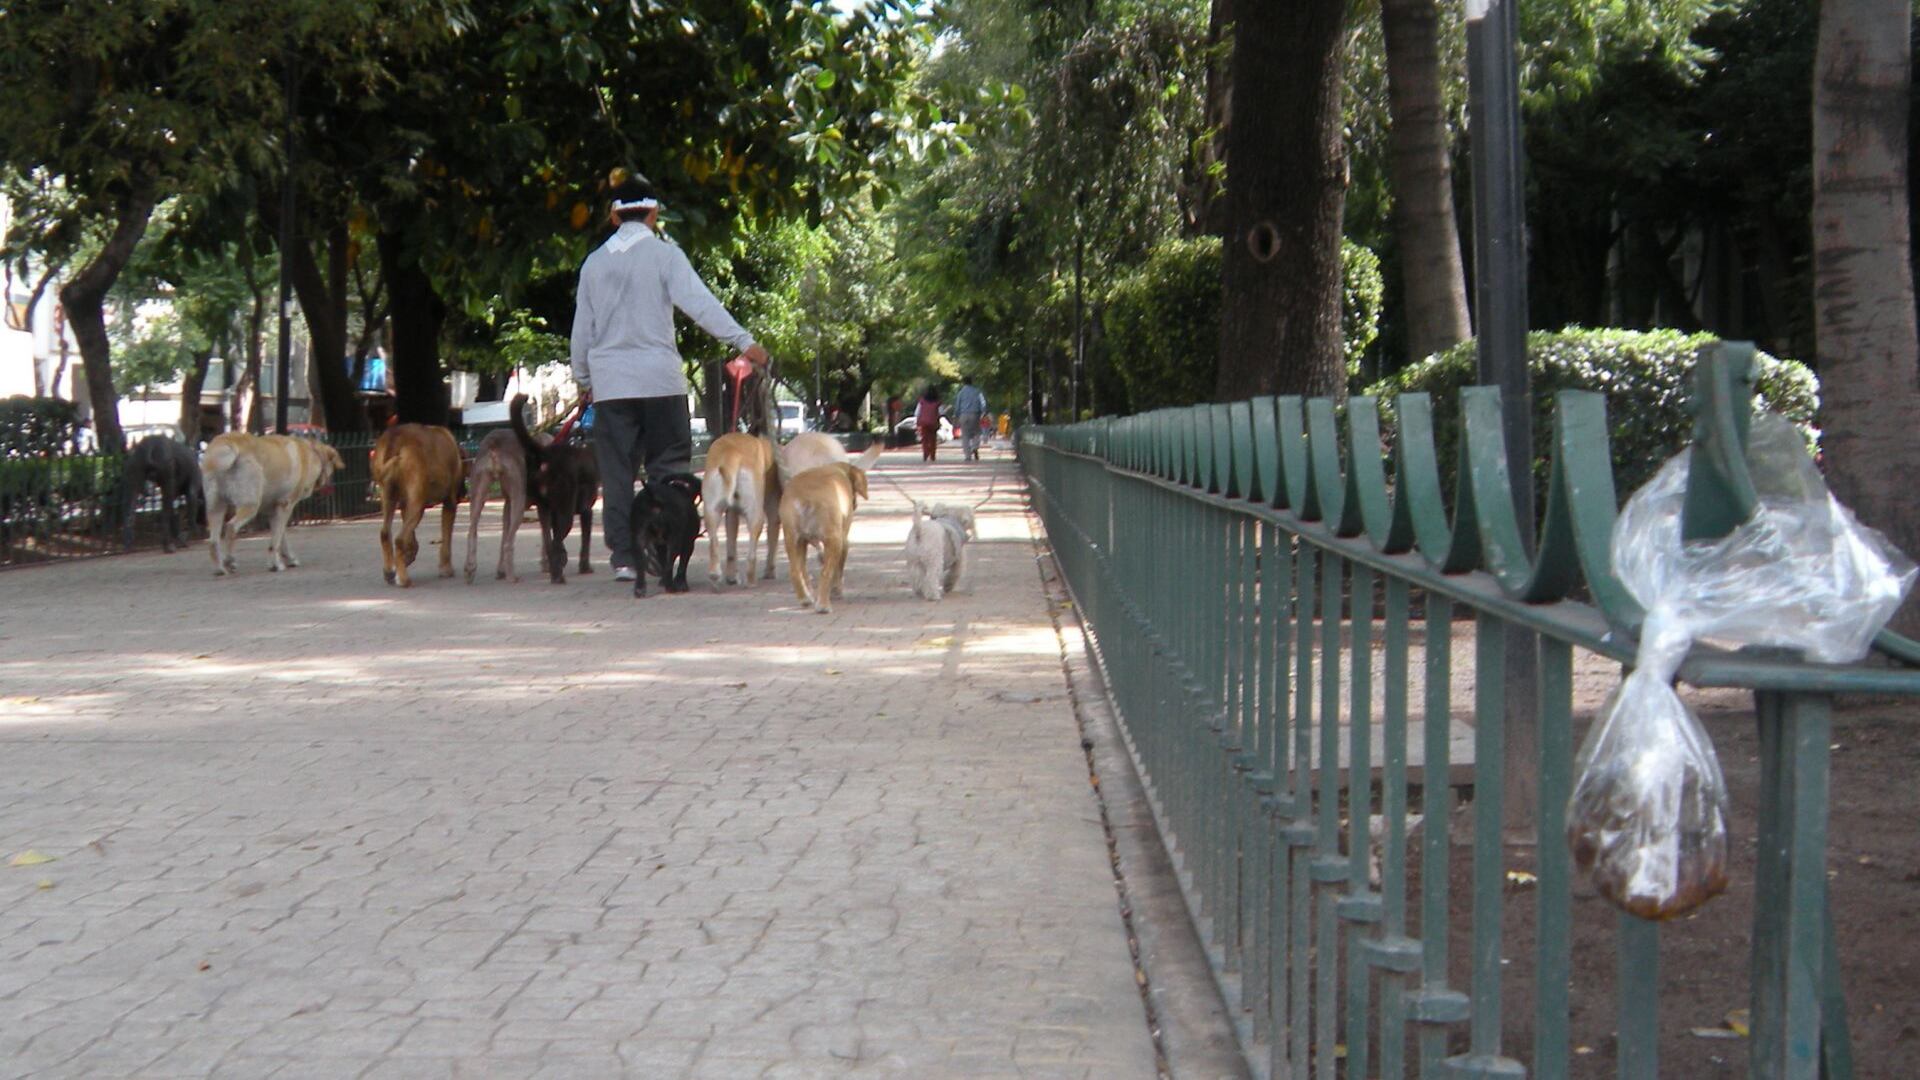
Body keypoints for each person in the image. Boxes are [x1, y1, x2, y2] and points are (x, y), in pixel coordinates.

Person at [570, 173, 769, 582]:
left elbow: (582, 330)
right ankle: (665, 548)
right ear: (654, 213)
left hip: (612, 386)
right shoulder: (666, 257)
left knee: (618, 473)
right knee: (668, 470)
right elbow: (701, 304)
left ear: (613, 216)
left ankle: (625, 556)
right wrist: (745, 343)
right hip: (661, 382)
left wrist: (584, 378)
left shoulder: (593, 263)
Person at [953, 376, 988, 461]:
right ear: (971, 382)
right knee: (976, 432)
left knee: (965, 435)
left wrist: (956, 415)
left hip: (963, 415)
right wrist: (983, 412)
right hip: (975, 414)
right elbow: (983, 403)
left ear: (963, 383)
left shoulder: (960, 393)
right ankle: (975, 447)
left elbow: (957, 405)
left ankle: (967, 456)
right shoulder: (977, 392)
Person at [915, 388, 943, 462]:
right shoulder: (938, 402)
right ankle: (932, 455)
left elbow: (917, 413)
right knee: (933, 439)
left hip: (923, 422)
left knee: (925, 439)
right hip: (933, 423)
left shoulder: (921, 401)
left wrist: (918, 420)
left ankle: (925, 453)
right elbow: (941, 412)